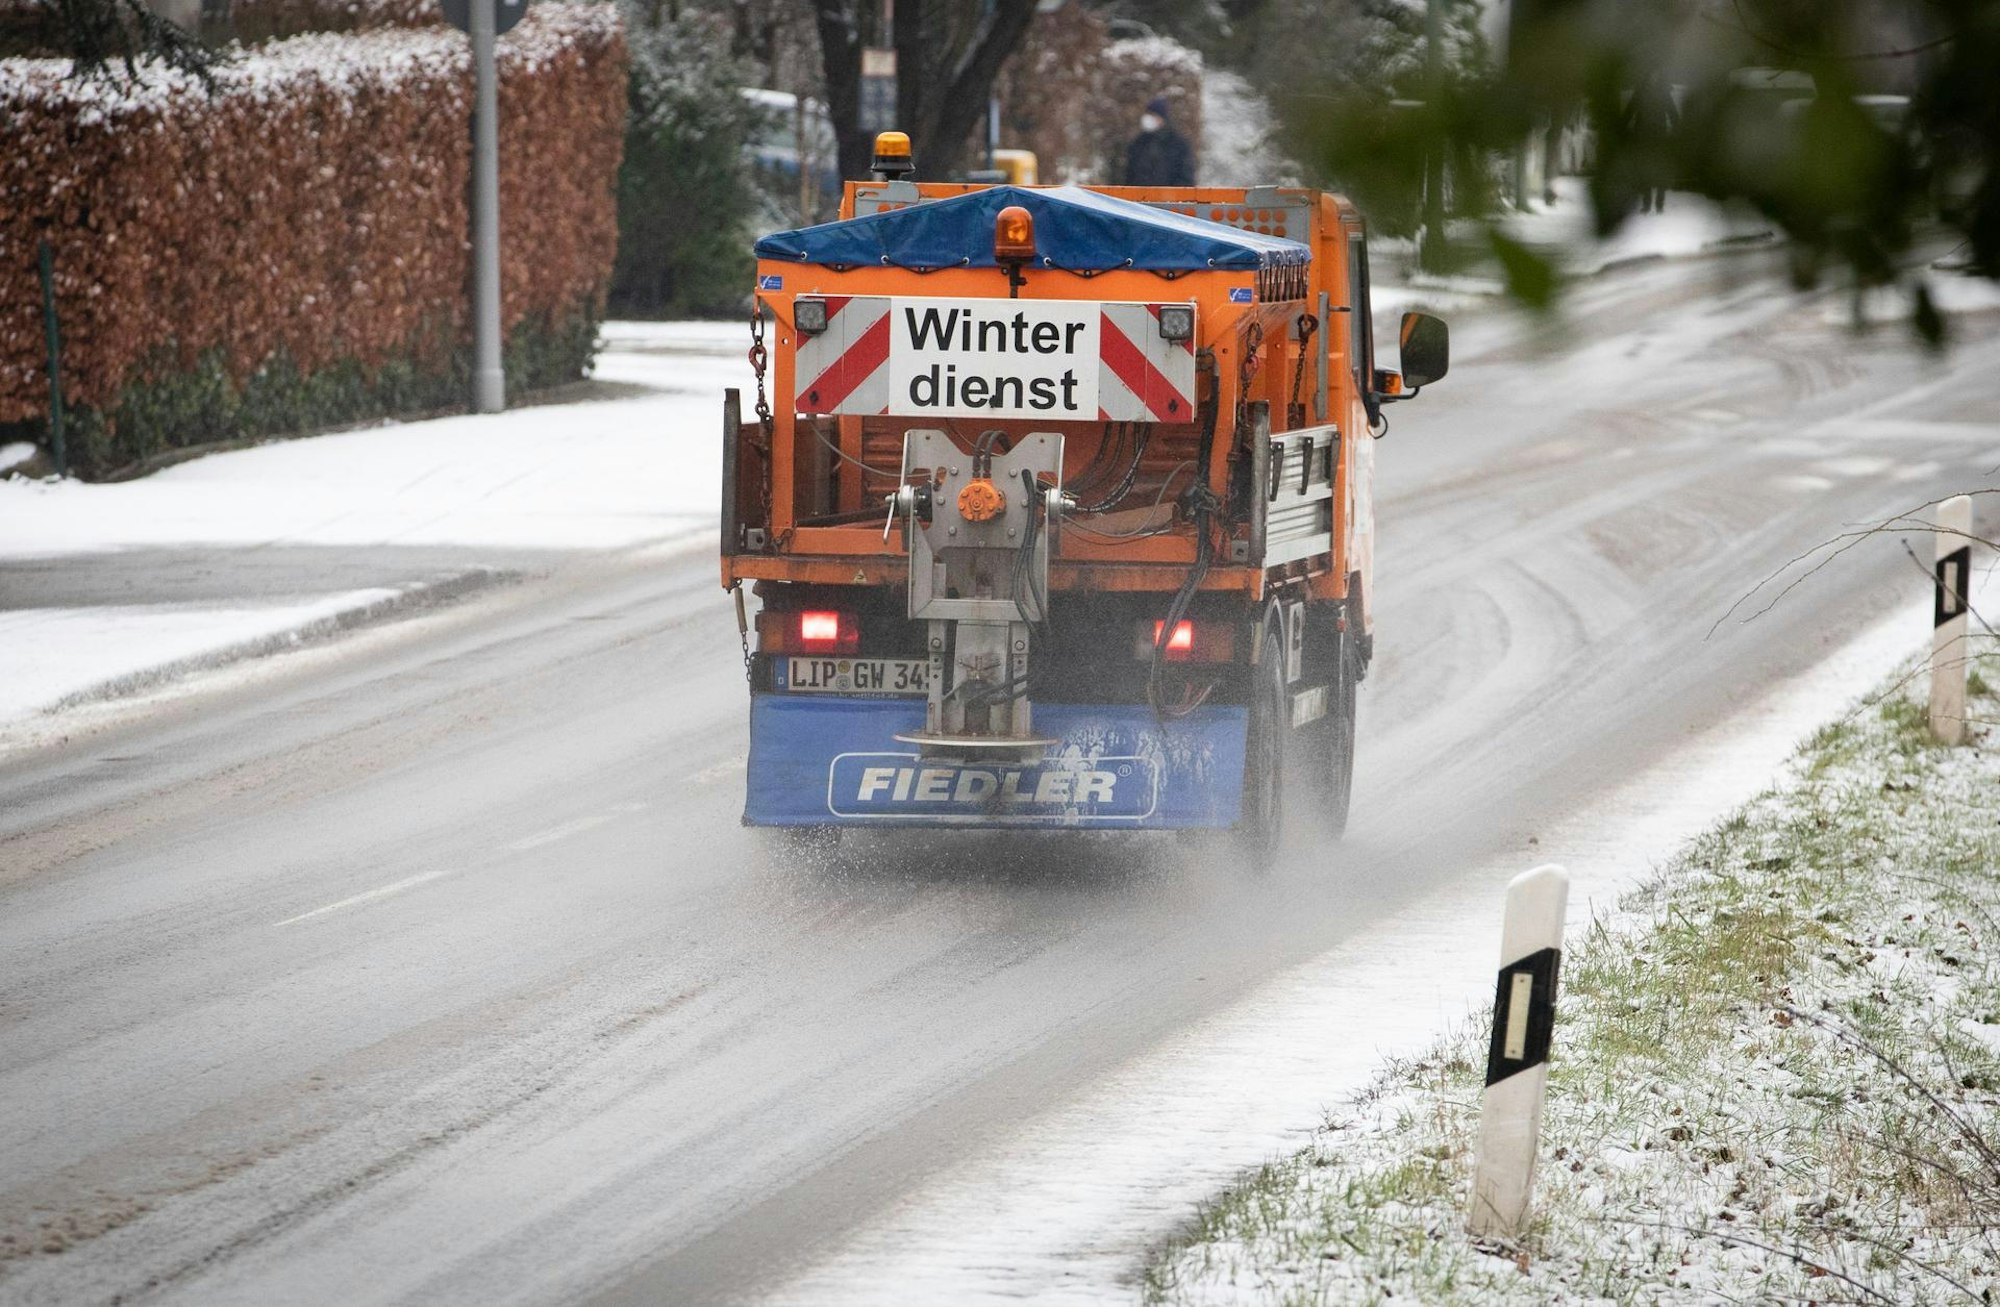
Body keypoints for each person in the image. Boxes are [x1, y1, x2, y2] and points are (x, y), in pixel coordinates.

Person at [1124, 96, 1195, 188]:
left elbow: (1185, 177)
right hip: (1139, 198)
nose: (1149, 118)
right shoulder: (1139, 143)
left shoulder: (1178, 144)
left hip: (1168, 199)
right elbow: (1130, 175)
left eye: (1154, 115)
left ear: (1162, 118)